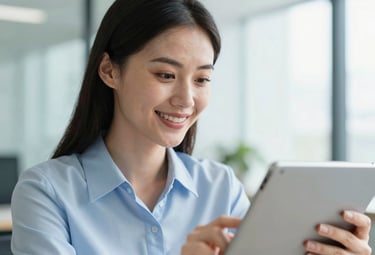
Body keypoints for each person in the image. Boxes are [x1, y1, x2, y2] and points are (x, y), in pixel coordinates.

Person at [11, 0, 372, 254]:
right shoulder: (46, 193)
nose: (186, 99)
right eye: (165, 74)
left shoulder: (220, 187)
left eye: (201, 79)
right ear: (109, 71)